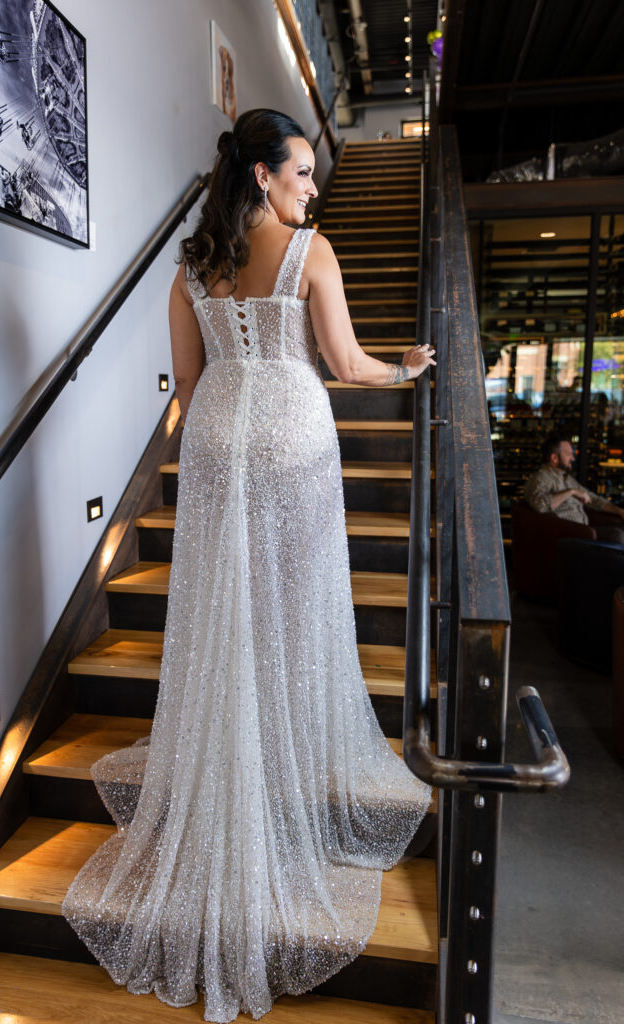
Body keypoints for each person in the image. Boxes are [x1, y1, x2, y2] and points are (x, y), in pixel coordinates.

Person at [62, 108, 433, 1022]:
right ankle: (281, 774)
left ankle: (229, 766)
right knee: (293, 614)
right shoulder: (311, 249)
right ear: (263, 177)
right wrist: (406, 368)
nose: (313, 186)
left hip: (220, 440)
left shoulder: (189, 266)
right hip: (292, 439)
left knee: (222, 614)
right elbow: (344, 363)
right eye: (302, 170)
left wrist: (226, 417)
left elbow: (186, 386)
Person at [524, 433, 624, 544]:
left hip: (585, 531)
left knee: (620, 527)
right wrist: (571, 492)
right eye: (568, 454)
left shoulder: (567, 479)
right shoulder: (541, 478)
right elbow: (540, 505)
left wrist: (619, 511)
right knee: (617, 535)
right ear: (554, 458)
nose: (573, 458)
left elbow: (592, 499)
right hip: (567, 537)